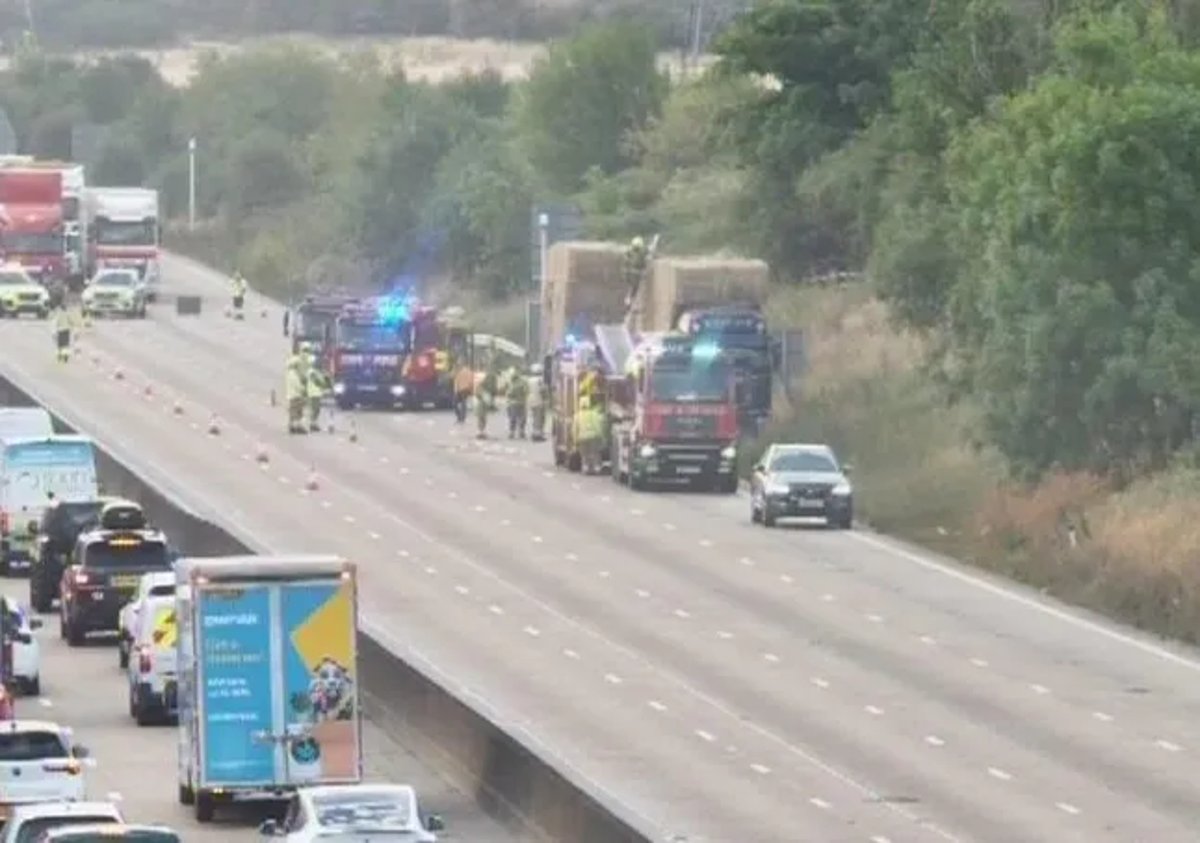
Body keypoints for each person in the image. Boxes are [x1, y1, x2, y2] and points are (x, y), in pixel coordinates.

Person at [575, 396, 604, 474]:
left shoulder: (578, 415)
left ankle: (586, 468)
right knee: (595, 453)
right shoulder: (594, 414)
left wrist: (575, 439)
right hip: (593, 437)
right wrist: (600, 436)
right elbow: (597, 426)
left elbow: (575, 429)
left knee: (584, 454)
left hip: (582, 437)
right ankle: (596, 468)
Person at [305, 363, 331, 433]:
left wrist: (327, 378)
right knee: (315, 409)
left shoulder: (319, 372)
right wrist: (323, 385)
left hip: (317, 393)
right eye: (320, 365)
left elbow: (326, 382)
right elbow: (316, 381)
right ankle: (312, 424)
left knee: (317, 410)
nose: (321, 366)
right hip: (313, 393)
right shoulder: (312, 372)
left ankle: (314, 423)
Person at [285, 355, 307, 434]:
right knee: (298, 413)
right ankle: (297, 427)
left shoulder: (289, 373)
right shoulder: (294, 374)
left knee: (293, 413)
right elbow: (297, 385)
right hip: (296, 396)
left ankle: (292, 426)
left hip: (291, 395)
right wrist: (304, 390)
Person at [527, 364, 547, 442]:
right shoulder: (540, 380)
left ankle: (535, 432)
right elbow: (543, 390)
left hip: (531, 400)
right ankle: (538, 435)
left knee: (535, 417)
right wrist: (546, 398)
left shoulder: (529, 380)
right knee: (539, 418)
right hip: (539, 400)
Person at [506, 368, 528, 439]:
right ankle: (521, 431)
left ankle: (512, 432)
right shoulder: (523, 381)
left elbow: (508, 393)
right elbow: (526, 391)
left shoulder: (510, 382)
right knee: (521, 418)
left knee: (513, 418)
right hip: (521, 402)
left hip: (513, 403)